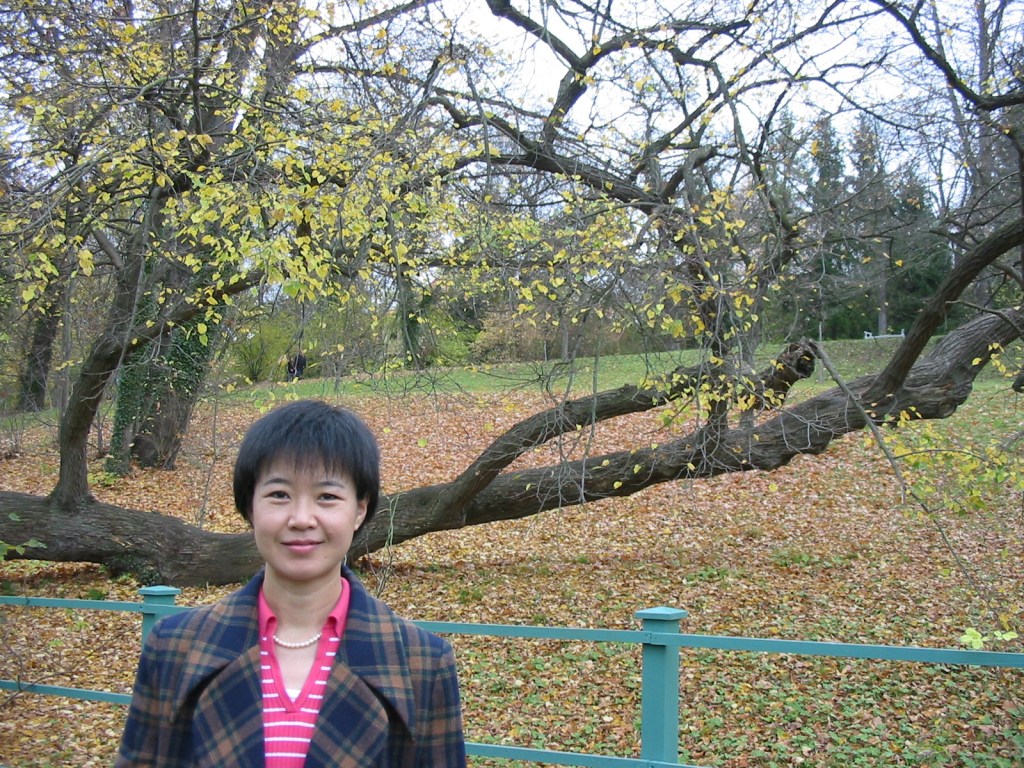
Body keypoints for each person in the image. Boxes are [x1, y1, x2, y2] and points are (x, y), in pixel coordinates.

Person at [116, 399, 467, 767]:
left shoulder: (422, 663)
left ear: (360, 510)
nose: (301, 519)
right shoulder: (176, 647)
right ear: (250, 507)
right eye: (279, 495)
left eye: (327, 497)